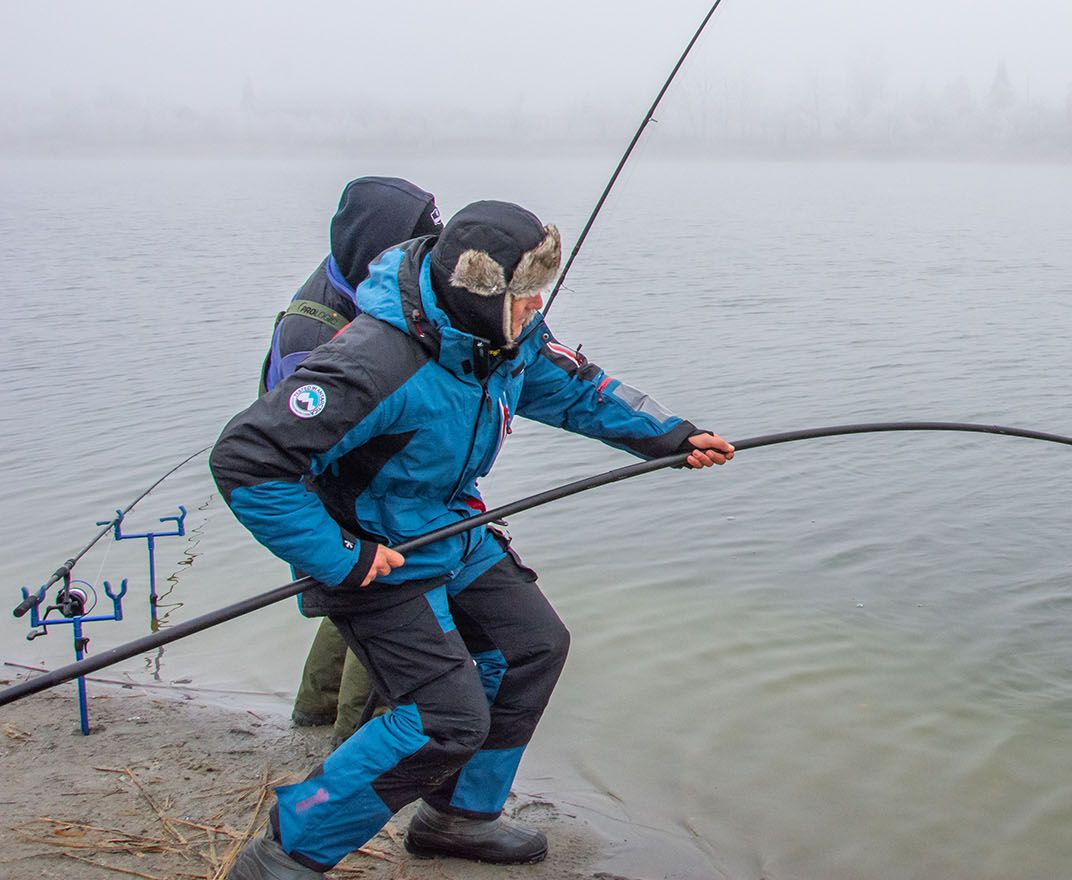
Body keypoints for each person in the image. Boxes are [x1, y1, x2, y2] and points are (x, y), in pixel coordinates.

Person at [213, 200, 735, 878]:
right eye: (523, 295)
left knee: (532, 647)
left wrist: (669, 436)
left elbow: (576, 389)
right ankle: (285, 855)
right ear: (480, 294)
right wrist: (341, 556)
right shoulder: (374, 363)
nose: (535, 306)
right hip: (372, 550)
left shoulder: (502, 337)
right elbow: (247, 463)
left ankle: (458, 817)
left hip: (449, 523)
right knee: (443, 716)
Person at [271, 176, 443, 744]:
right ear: (381, 241)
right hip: (336, 494)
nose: (432, 247)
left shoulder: (356, 281)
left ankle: (312, 716)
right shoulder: (310, 332)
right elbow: (295, 445)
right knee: (380, 605)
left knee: (346, 600)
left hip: (352, 485)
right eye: (422, 236)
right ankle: (353, 746)